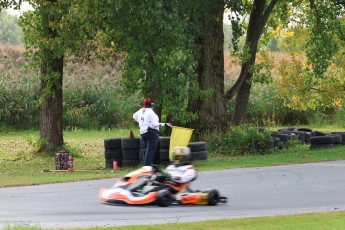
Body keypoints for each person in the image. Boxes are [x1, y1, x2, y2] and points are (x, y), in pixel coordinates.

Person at [133, 98, 171, 166]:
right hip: (151, 132)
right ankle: (147, 167)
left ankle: (145, 166)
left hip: (143, 132)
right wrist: (165, 124)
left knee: (146, 149)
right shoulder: (151, 112)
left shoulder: (141, 110)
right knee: (150, 150)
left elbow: (134, 116)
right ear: (152, 105)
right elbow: (154, 124)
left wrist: (142, 122)